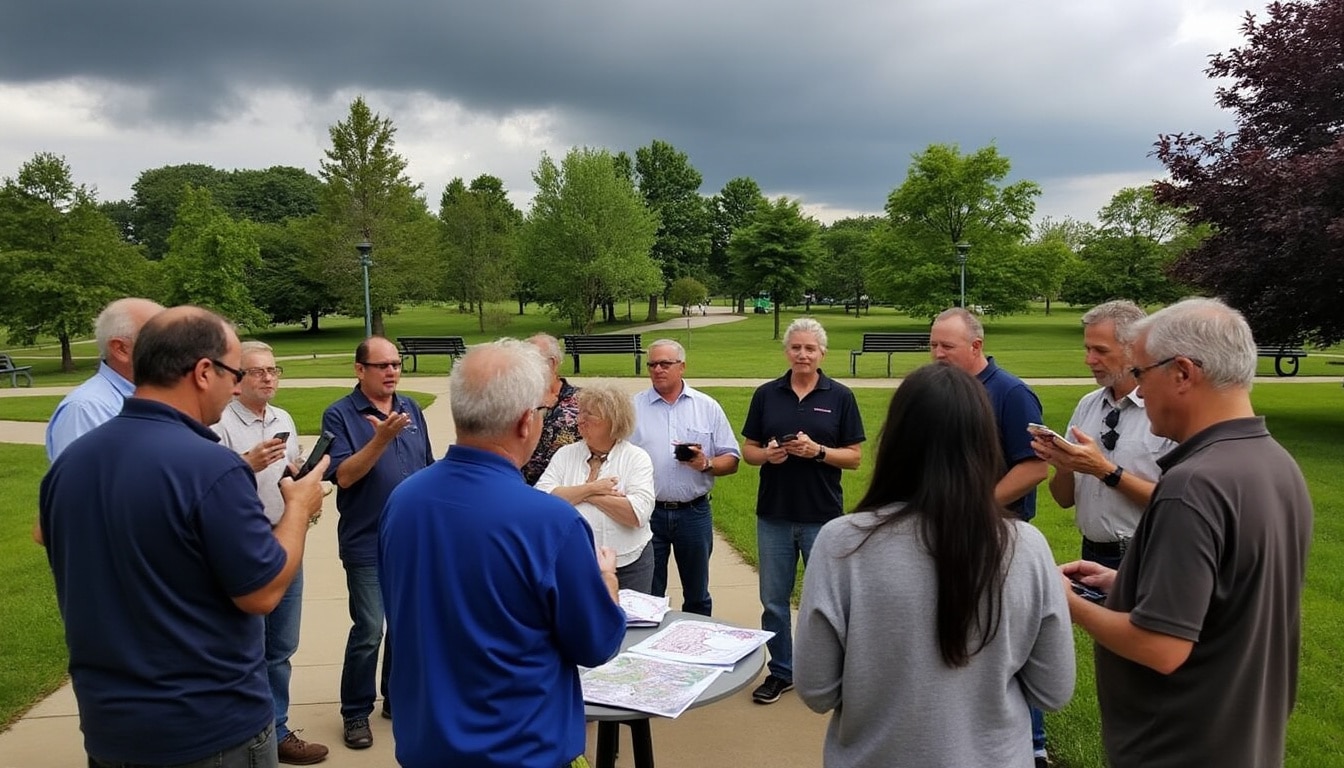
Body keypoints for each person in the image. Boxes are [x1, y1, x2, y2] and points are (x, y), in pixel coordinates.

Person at [39, 306, 328, 768]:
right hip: (210, 729)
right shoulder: (212, 468)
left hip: (111, 727)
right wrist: (298, 507)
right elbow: (263, 591)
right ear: (203, 372)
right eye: (234, 374)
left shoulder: (72, 463)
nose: (236, 387)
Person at [1062, 298, 1313, 768]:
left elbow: (1160, 647)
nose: (1137, 389)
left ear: (1182, 372)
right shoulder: (1276, 464)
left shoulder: (1192, 485)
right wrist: (1130, 583)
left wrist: (1063, 598)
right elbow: (1235, 591)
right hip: (1245, 735)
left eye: (1140, 373)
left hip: (1181, 744)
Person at [795, 363, 1075, 767]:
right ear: (984, 443)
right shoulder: (1026, 547)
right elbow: (1053, 690)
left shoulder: (842, 543)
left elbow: (816, 689)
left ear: (894, 439)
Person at [379, 339, 625, 768]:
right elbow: (597, 644)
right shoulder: (551, 523)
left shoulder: (403, 500)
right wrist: (607, 583)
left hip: (425, 746)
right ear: (526, 422)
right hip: (522, 750)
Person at [929, 307, 1050, 764]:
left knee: (1009, 646)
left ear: (976, 347)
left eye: (948, 347)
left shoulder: (1011, 393)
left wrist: (977, 509)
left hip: (1001, 538)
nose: (937, 354)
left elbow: (1036, 465)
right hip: (947, 535)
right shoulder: (943, 392)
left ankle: (1032, 747)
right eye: (933, 344)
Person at [212, 341, 327, 765]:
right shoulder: (219, 422)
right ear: (236, 378)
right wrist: (247, 462)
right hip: (241, 548)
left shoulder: (283, 418)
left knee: (281, 646)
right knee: (247, 648)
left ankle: (276, 729)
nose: (267, 378)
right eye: (257, 371)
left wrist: (303, 474)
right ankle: (246, 734)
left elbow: (289, 469)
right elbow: (205, 487)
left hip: (284, 540)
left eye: (273, 370)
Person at [742, 318, 865, 705]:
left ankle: (830, 674)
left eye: (810, 348)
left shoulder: (840, 396)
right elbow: (749, 450)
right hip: (774, 514)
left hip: (822, 516)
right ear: (786, 351)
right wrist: (769, 455)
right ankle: (782, 671)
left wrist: (819, 452)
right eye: (796, 347)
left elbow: (855, 458)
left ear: (822, 353)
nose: (802, 354)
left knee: (827, 602)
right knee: (774, 601)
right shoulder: (767, 394)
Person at [321, 336, 434, 749]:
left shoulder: (412, 408)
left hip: (413, 541)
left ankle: (396, 697)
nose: (391, 372)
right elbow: (345, 476)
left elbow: (427, 467)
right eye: (382, 365)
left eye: (396, 365)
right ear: (359, 370)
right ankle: (355, 712)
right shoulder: (340, 414)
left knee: (405, 626)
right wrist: (381, 439)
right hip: (367, 540)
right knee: (370, 628)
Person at [1031, 301, 1175, 569]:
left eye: (1100, 350)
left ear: (1134, 349)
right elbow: (1064, 500)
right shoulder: (1088, 404)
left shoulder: (1166, 410)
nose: (1089, 360)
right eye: (1087, 349)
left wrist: (1104, 470)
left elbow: (1178, 504)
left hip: (1147, 555)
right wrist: (1062, 467)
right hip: (1092, 552)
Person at [629, 338, 740, 615]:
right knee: (649, 596)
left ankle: (695, 650)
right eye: (652, 364)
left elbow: (733, 459)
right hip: (648, 512)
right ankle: (651, 653)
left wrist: (706, 463)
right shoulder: (633, 408)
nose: (657, 370)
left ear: (682, 367)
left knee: (697, 594)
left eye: (665, 364)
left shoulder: (706, 407)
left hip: (694, 513)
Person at [537, 380, 657, 592]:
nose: (579, 420)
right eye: (580, 412)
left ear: (613, 421)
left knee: (633, 624)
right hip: (573, 563)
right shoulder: (566, 454)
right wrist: (593, 488)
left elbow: (637, 514)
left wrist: (576, 494)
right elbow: (542, 501)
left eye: (589, 415)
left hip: (629, 565)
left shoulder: (636, 458)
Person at [44, 297, 163, 461]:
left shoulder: (168, 395)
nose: (175, 345)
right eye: (160, 338)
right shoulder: (85, 409)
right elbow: (80, 483)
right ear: (121, 349)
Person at [521, 333, 581, 485]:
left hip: (566, 490)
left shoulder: (583, 401)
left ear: (552, 363)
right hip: (521, 490)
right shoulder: (517, 400)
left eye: (531, 361)